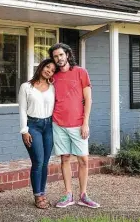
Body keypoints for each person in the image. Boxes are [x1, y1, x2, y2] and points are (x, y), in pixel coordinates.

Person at [48, 43, 100, 209]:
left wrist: (85, 123)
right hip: (58, 123)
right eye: (55, 56)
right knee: (64, 158)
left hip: (78, 124)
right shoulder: (53, 76)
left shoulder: (81, 72)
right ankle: (68, 194)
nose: (59, 59)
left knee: (83, 160)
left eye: (61, 55)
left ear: (68, 55)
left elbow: (88, 99)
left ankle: (83, 195)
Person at [18, 59, 56, 209]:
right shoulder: (26, 87)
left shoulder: (53, 87)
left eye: (52, 70)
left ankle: (42, 192)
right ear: (42, 66)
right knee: (38, 161)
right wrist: (24, 130)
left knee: (45, 163)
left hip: (49, 126)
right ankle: (37, 195)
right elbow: (21, 110)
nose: (49, 71)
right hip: (33, 126)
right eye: (47, 67)